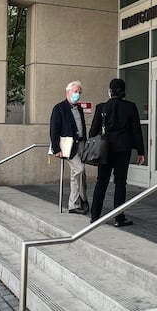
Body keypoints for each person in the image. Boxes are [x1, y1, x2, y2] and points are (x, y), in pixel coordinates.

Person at [88, 78, 145, 227]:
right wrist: (141, 151)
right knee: (120, 183)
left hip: (104, 150)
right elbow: (136, 131)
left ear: (110, 91)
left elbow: (93, 131)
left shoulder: (101, 108)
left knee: (102, 182)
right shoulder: (130, 107)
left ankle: (95, 216)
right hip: (123, 150)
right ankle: (119, 218)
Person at [49, 80, 90, 215]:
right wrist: (56, 149)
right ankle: (79, 200)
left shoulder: (79, 109)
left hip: (81, 144)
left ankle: (77, 203)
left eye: (79, 92)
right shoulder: (59, 108)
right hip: (69, 146)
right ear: (68, 92)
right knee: (79, 169)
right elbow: (54, 129)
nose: (77, 94)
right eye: (75, 92)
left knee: (79, 174)